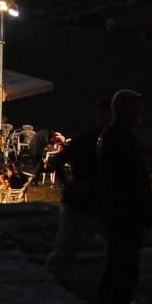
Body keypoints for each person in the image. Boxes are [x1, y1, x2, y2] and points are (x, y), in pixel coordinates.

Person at [96, 89, 152, 304]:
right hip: (123, 216)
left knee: (116, 268)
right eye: (137, 109)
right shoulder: (119, 141)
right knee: (124, 271)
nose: (141, 113)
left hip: (120, 215)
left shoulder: (115, 138)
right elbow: (127, 182)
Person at [44, 97, 110, 277]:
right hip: (81, 204)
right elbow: (56, 161)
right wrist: (69, 185)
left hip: (102, 203)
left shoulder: (118, 140)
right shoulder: (86, 139)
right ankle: (50, 282)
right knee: (65, 249)